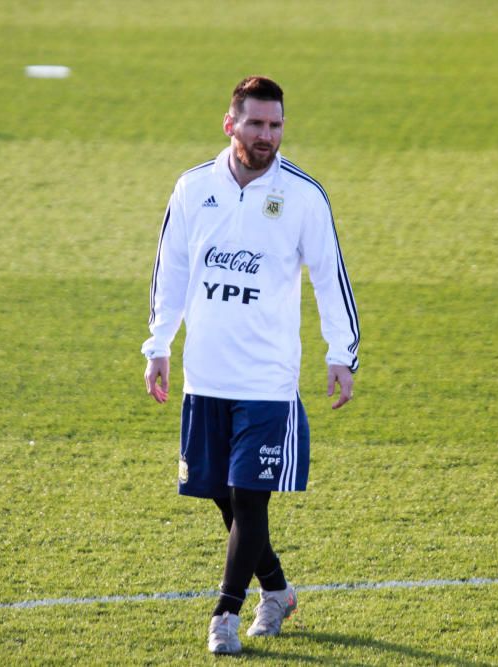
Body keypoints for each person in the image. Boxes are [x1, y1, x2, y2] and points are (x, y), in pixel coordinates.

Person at [141, 76, 360, 655]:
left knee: (248, 498)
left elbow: (330, 278)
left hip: (268, 380)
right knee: (223, 497)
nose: (268, 136)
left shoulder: (303, 195)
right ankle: (280, 591)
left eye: (277, 125)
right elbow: (172, 270)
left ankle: (226, 615)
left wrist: (342, 353)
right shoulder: (193, 189)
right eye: (257, 124)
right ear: (230, 123)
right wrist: (158, 343)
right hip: (206, 375)